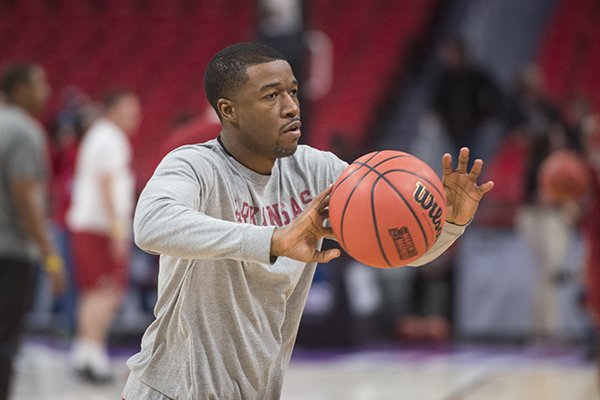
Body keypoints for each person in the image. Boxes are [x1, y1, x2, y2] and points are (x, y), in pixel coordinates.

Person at [121, 42, 494, 399]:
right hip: (173, 391)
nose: (290, 107)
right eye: (271, 96)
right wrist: (272, 240)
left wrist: (447, 225)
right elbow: (151, 225)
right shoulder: (194, 166)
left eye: (293, 92)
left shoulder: (317, 172)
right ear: (229, 110)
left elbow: (400, 250)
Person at [0, 63, 65, 400]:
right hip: (10, 254)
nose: (47, 92)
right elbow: (25, 197)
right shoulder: (25, 131)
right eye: (40, 84)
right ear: (20, 87)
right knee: (5, 342)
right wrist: (51, 257)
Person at [66, 90, 141, 382]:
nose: (135, 117)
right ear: (113, 109)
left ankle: (85, 352)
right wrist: (117, 230)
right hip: (99, 227)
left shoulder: (101, 135)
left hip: (89, 224)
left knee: (94, 292)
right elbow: (108, 184)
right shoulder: (110, 138)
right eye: (129, 110)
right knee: (106, 291)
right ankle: (93, 356)